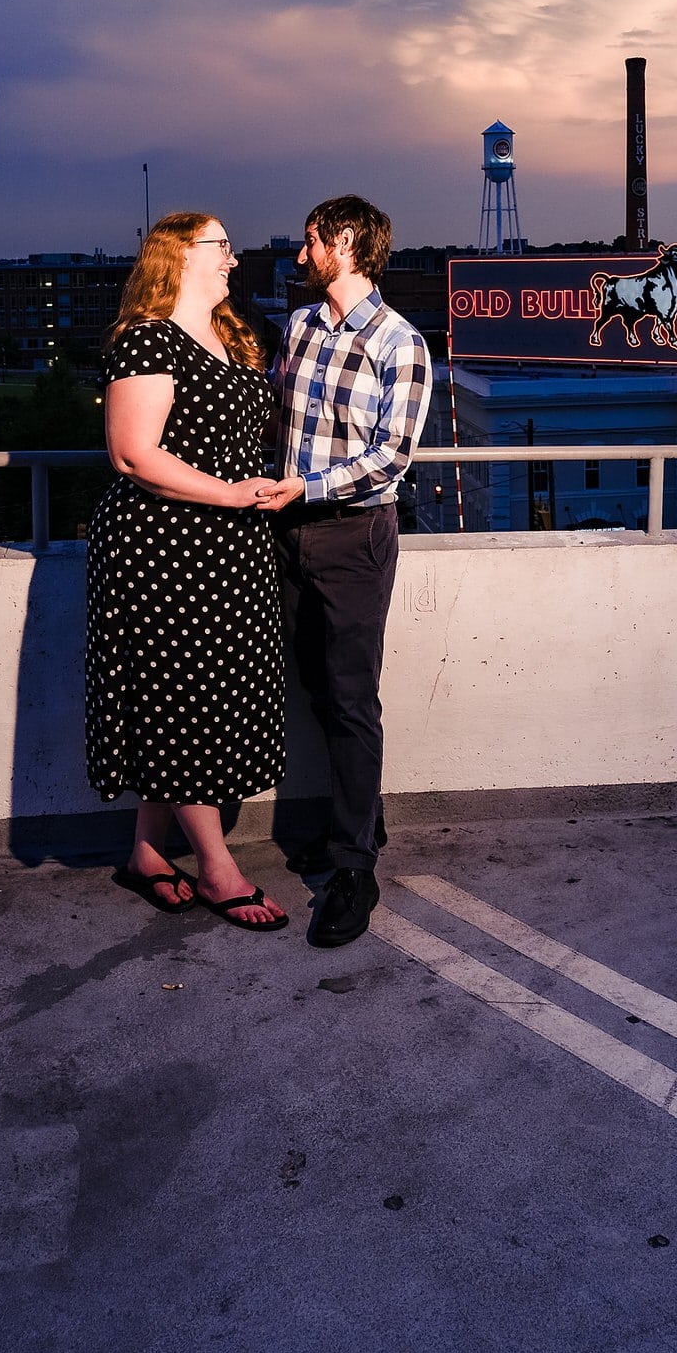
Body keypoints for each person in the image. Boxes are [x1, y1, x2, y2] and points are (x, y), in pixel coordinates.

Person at [85, 210, 289, 931]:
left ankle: (147, 852)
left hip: (226, 545)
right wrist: (232, 493)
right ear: (179, 255)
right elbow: (134, 454)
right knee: (185, 700)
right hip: (164, 548)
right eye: (222, 245)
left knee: (191, 695)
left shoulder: (232, 336)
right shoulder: (146, 339)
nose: (234, 258)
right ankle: (217, 868)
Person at [260, 195, 434, 948]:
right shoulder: (298, 327)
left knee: (353, 695)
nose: (300, 257)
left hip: (354, 534)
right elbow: (277, 419)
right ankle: (359, 816)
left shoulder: (402, 344)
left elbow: (392, 459)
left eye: (309, 243)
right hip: (288, 529)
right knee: (314, 682)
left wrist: (309, 487)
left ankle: (353, 869)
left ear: (347, 242)